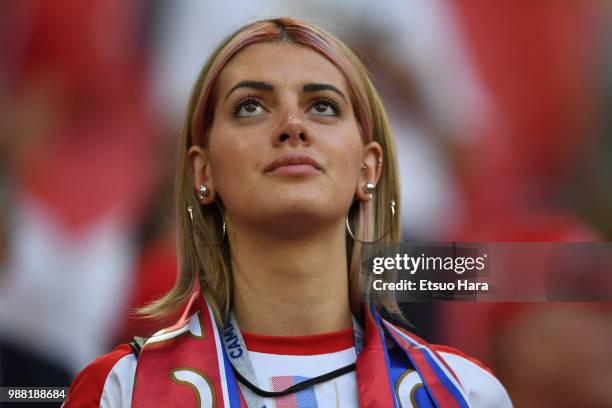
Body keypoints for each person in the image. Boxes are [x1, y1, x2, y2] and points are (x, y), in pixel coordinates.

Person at [63, 17, 512, 407]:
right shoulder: (116, 392)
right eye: (251, 107)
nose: (292, 126)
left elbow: (469, 139)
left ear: (367, 168)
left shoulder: (466, 394)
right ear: (203, 172)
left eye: (323, 106)